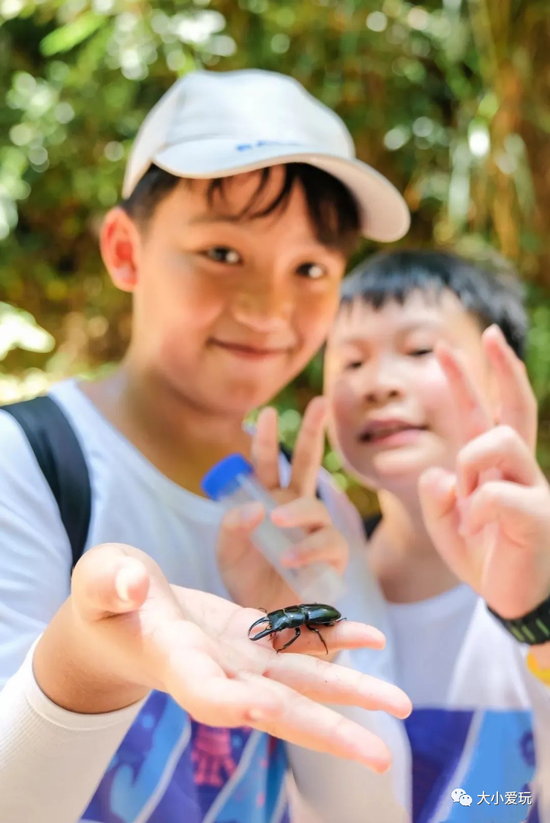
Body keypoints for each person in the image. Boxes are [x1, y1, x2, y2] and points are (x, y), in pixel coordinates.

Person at [0, 70, 413, 823]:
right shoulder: (23, 465)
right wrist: (87, 658)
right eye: (223, 252)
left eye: (310, 269)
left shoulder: (317, 516)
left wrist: (302, 634)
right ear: (126, 251)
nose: (268, 308)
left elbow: (374, 809)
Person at [324, 249, 550, 822]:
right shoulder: (308, 590)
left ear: (504, 379)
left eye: (419, 350)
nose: (377, 383)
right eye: (350, 363)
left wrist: (537, 615)